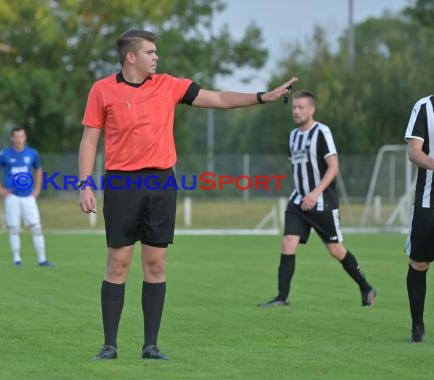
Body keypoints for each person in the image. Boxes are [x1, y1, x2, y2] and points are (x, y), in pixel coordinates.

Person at [78, 28, 297, 360]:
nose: (156, 57)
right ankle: (109, 345)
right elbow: (89, 140)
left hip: (161, 183)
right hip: (121, 184)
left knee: (155, 264)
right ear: (131, 56)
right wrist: (85, 184)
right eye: (150, 52)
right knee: (118, 262)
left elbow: (220, 99)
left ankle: (150, 346)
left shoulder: (169, 85)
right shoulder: (102, 90)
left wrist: (261, 96)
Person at [258, 91, 376, 309]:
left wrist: (315, 193)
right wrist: (305, 193)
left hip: (322, 202)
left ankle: (366, 286)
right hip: (299, 201)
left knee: (335, 250)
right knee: (287, 243)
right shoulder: (293, 136)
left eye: (301, 107)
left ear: (312, 109)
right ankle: (282, 297)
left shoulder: (322, 132)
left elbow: (333, 167)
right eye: (294, 107)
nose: (296, 111)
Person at [0, 126, 53, 267]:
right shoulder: (5, 154)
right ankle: (16, 258)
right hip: (12, 196)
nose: (19, 139)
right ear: (12, 138)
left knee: (36, 227)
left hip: (28, 196)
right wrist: (0, 188)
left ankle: (42, 259)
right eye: (16, 136)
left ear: (25, 137)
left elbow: (38, 170)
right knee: (14, 228)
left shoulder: (32, 153)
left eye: (21, 136)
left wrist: (37, 189)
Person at [404, 95, 434, 343]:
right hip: (428, 202)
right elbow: (414, 152)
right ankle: (417, 326)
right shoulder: (425, 107)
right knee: (419, 263)